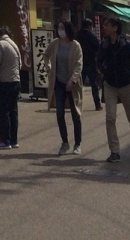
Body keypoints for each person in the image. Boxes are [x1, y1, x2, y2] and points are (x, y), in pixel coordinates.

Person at [96, 16, 130, 161]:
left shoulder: (126, 45)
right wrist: (104, 71)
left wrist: (129, 74)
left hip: (126, 86)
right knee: (110, 118)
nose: (105, 27)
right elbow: (98, 61)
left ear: (115, 28)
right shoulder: (104, 45)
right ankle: (115, 151)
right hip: (110, 85)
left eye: (108, 25)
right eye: (105, 25)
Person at [45, 20, 83, 155]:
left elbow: (79, 65)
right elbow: (46, 55)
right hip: (58, 83)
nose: (60, 30)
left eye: (63, 27)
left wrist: (72, 80)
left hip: (72, 84)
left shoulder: (75, 45)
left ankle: (77, 143)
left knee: (75, 114)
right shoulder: (55, 43)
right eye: (59, 27)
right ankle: (65, 142)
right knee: (59, 113)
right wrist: (48, 66)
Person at [0, 25, 22, 150]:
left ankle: (5, 140)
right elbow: (20, 64)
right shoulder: (13, 44)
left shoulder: (0, 44)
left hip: (6, 82)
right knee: (13, 111)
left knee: (3, 111)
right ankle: (13, 140)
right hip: (16, 81)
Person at [76, 15, 102, 110]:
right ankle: (97, 105)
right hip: (91, 62)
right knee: (94, 84)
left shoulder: (77, 35)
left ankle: (76, 104)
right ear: (89, 26)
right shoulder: (92, 36)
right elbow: (98, 49)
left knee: (79, 84)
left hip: (79, 62)